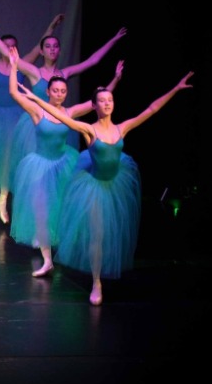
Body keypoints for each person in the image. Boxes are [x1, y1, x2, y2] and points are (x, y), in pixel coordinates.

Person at [22, 71, 194, 305]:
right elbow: (62, 117)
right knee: (97, 235)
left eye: (110, 100)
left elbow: (152, 109)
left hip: (116, 185)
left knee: (109, 233)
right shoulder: (89, 130)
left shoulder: (121, 128)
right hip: (94, 188)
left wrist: (175, 88)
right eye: (102, 101)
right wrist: (36, 99)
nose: (107, 104)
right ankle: (96, 282)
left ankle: (100, 276)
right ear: (94, 105)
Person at [0, 13, 125, 221]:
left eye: (56, 46)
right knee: (26, 166)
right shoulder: (34, 72)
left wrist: (114, 40)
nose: (52, 50)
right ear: (42, 51)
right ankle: (5, 199)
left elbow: (93, 61)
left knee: (55, 172)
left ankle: (50, 214)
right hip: (35, 124)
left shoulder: (64, 73)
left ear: (59, 50)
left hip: (59, 124)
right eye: (48, 46)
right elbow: (9, 55)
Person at [5, 47, 122, 277]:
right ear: (48, 91)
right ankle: (47, 260)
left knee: (60, 207)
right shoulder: (37, 111)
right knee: (41, 211)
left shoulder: (70, 112)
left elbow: (98, 101)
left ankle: (63, 246)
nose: (59, 94)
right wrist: (14, 66)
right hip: (40, 167)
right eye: (55, 90)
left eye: (63, 91)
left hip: (63, 165)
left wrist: (116, 79)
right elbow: (13, 93)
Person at [0, 14, 64, 223]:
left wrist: (52, 26)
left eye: (13, 46)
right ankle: (3, 198)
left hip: (16, 115)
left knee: (17, 157)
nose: (9, 49)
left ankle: (13, 198)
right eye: (6, 46)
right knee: (4, 158)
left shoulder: (22, 63)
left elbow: (40, 46)